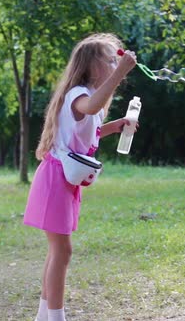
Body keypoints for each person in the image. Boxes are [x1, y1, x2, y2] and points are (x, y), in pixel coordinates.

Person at [23, 33, 137, 321]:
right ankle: (56, 317)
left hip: (65, 181)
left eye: (117, 62)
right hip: (55, 181)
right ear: (91, 65)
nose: (116, 65)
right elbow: (91, 107)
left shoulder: (86, 99)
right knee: (62, 252)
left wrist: (118, 125)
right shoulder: (79, 95)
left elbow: (92, 128)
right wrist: (122, 73)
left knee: (57, 251)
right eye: (111, 61)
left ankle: (42, 317)